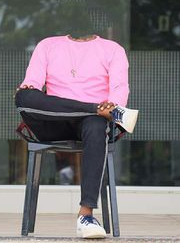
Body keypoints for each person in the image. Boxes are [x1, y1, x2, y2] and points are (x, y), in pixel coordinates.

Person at [15, 33, 133, 238]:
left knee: (97, 125)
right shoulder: (48, 45)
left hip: (90, 126)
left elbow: (119, 92)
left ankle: (86, 216)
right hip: (53, 120)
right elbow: (31, 84)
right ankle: (93, 108)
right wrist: (98, 108)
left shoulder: (113, 49)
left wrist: (112, 106)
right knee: (23, 96)